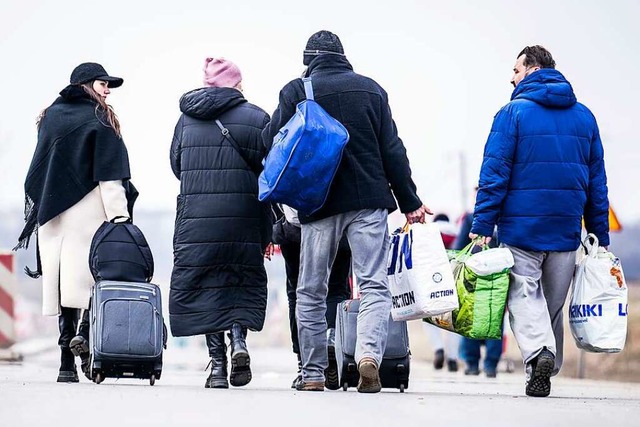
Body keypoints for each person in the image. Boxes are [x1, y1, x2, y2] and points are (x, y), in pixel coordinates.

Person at [263, 30, 431, 393]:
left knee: (310, 290)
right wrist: (411, 202)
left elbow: (270, 141)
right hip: (369, 201)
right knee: (373, 285)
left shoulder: (296, 90)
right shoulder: (372, 90)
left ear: (309, 59)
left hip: (318, 203)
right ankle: (368, 355)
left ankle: (311, 373)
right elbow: (393, 151)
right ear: (343, 56)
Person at [470, 45, 610, 397]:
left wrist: (483, 224)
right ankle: (543, 367)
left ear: (531, 69)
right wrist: (599, 234)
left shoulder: (512, 113)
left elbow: (495, 172)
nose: (511, 77)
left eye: (515, 70)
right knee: (551, 306)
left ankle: (539, 354)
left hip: (521, 228)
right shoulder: (585, 117)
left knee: (522, 294)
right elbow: (597, 182)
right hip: (565, 230)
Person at [15, 62, 132, 382]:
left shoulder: (50, 117)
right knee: (93, 281)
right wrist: (120, 217)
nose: (107, 90)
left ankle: (66, 361)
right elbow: (110, 175)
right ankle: (86, 346)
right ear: (85, 84)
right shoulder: (99, 118)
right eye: (102, 83)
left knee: (64, 283)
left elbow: (42, 166)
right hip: (88, 212)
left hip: (52, 213)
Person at [169, 57, 272, 389]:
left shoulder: (186, 120)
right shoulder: (257, 118)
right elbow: (270, 171)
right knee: (239, 280)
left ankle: (216, 367)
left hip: (198, 220)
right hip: (244, 216)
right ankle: (239, 340)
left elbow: (176, 164)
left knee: (206, 288)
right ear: (236, 84)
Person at [273, 204, 352, 389]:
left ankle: (305, 365)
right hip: (338, 223)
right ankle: (331, 337)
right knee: (336, 290)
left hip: (295, 228)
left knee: (297, 293)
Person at [455, 200, 503, 378]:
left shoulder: (470, 218)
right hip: (497, 276)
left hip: (472, 275)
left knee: (470, 318)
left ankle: (472, 363)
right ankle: (490, 365)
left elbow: (460, 246)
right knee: (494, 318)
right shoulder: (505, 216)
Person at [424, 213, 460, 372]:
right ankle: (452, 357)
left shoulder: (429, 233)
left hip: (433, 280)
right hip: (454, 280)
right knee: (454, 320)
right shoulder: (457, 232)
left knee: (429, 318)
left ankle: (438, 348)